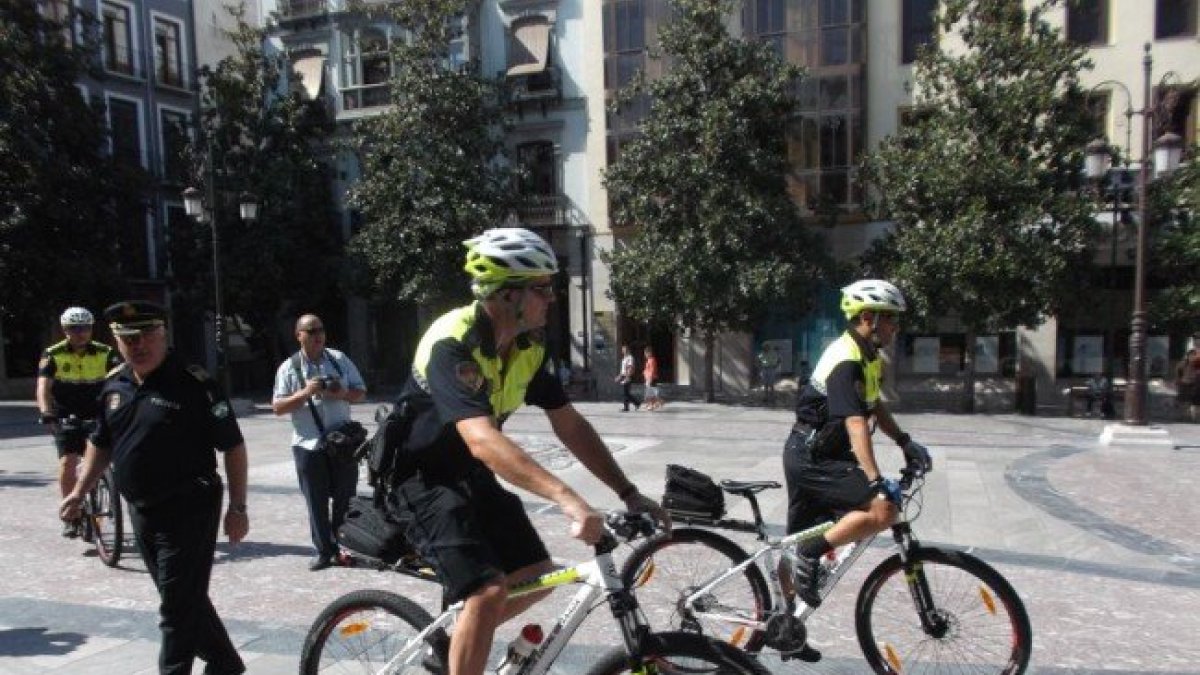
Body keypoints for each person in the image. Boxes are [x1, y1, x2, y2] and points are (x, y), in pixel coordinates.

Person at [391, 227, 669, 675]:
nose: (552, 298)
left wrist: (628, 491)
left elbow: (570, 424)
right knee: (486, 591)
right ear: (506, 296)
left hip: (468, 474)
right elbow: (481, 438)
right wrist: (566, 497)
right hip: (420, 479)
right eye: (543, 288)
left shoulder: (528, 349)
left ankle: (457, 642)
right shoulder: (452, 342)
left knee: (536, 575)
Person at [59, 301, 248, 675]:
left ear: (163, 334)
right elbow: (101, 441)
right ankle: (225, 663)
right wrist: (80, 490)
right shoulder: (116, 384)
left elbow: (233, 447)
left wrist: (238, 508)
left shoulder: (195, 383)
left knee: (175, 610)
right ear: (115, 339)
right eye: (128, 337)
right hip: (142, 510)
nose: (138, 344)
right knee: (179, 596)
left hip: (190, 506)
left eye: (146, 334)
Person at [781, 280, 932, 662]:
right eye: (891, 320)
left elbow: (873, 405)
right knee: (882, 510)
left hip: (817, 455)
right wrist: (876, 481)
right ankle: (812, 553)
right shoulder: (846, 357)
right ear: (868, 318)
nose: (896, 328)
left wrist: (905, 441)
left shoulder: (868, 357)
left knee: (794, 543)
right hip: (814, 459)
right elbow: (855, 423)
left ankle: (786, 630)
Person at [271, 314, 367, 571]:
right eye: (311, 331)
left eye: (321, 330)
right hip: (308, 445)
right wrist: (306, 393)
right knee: (316, 501)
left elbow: (360, 392)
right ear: (299, 335)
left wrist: (342, 393)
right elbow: (278, 407)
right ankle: (325, 551)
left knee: (346, 498)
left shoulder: (338, 360)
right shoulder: (289, 368)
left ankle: (346, 546)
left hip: (342, 443)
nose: (318, 336)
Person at [36, 306, 121, 537]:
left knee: (104, 461)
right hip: (66, 416)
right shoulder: (52, 354)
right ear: (65, 330)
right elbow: (43, 387)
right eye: (75, 328)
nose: (81, 332)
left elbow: (122, 382)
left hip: (98, 414)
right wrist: (46, 412)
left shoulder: (106, 353)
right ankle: (71, 515)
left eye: (85, 327)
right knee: (68, 464)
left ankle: (101, 488)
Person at [616, 343, 641, 412]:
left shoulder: (630, 358)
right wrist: (619, 376)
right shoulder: (624, 358)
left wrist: (627, 377)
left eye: (625, 350)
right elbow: (623, 369)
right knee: (626, 393)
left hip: (628, 376)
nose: (623, 351)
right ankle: (632, 405)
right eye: (623, 350)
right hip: (624, 375)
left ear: (628, 350)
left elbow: (630, 367)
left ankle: (634, 404)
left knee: (625, 393)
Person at [643, 345, 663, 411]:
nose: (645, 355)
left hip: (652, 378)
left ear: (649, 353)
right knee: (650, 392)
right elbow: (647, 369)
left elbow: (652, 370)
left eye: (646, 353)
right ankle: (652, 404)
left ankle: (656, 403)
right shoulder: (649, 360)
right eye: (645, 353)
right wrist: (644, 372)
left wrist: (650, 378)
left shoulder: (652, 360)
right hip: (648, 378)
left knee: (651, 392)